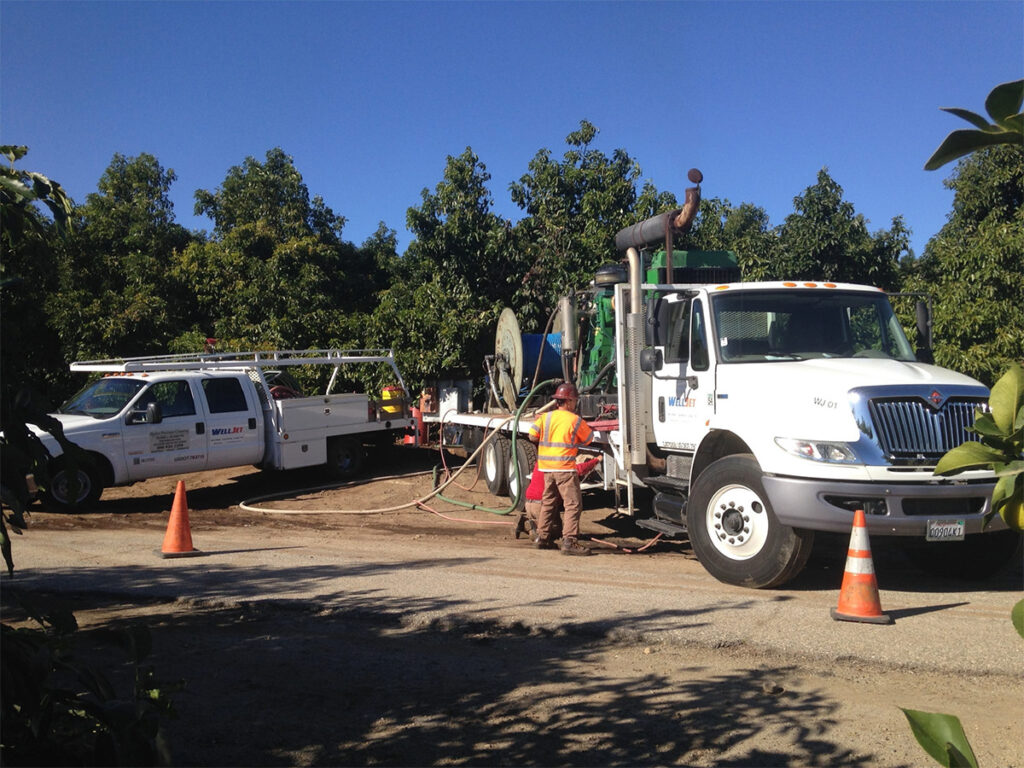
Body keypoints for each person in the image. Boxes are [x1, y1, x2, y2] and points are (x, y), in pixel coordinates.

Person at [527, 382, 594, 556]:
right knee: (572, 504)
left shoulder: (545, 417)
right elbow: (588, 439)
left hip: (546, 468)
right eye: (575, 401)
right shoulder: (575, 420)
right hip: (564, 468)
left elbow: (532, 435)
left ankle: (542, 537)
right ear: (570, 401)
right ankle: (569, 541)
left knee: (548, 502)